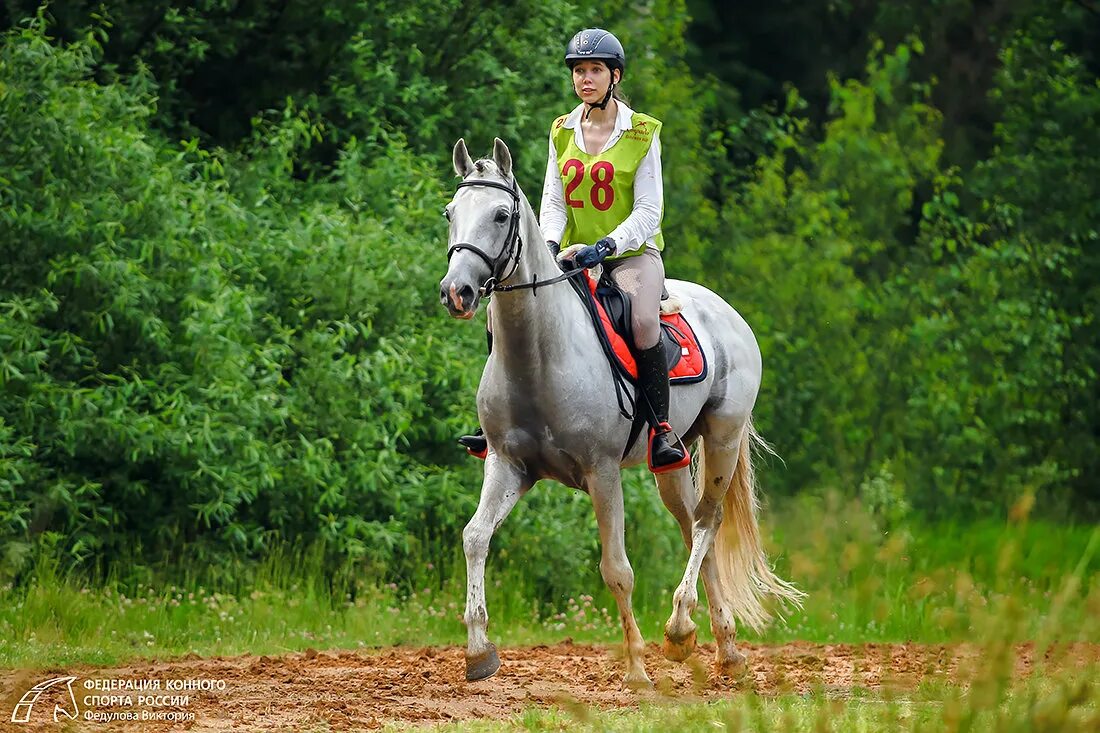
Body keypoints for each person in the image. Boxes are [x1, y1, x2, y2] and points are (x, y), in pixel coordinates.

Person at [458, 28, 689, 473]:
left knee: (641, 320)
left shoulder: (643, 132)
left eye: (595, 70)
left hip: (631, 257)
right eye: (579, 71)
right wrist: (547, 243)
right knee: (498, 310)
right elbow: (554, 200)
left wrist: (606, 246)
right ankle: (494, 427)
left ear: (614, 76)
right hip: (571, 255)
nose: (585, 79)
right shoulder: (562, 130)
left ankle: (661, 429)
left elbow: (648, 210)